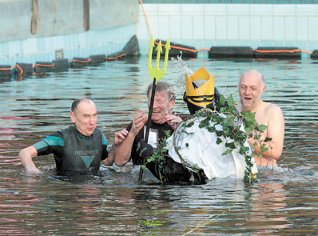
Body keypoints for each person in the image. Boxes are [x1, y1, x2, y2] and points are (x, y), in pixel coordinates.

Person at [19, 98, 114, 176]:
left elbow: (107, 161)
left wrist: (118, 145)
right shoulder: (62, 138)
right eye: (86, 116)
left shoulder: (100, 136)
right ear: (73, 117)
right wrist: (31, 169)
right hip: (68, 188)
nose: (92, 122)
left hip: (94, 190)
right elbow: (25, 152)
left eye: (94, 115)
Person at [237, 69, 285, 167]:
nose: (247, 92)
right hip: (233, 173)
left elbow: (276, 152)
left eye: (253, 88)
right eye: (243, 87)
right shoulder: (231, 111)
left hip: (264, 175)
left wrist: (244, 136)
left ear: (263, 89)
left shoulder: (272, 111)